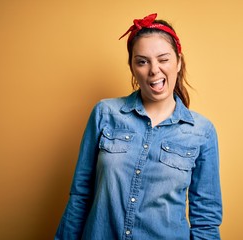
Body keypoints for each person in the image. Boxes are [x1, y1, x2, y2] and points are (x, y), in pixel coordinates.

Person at [55, 13, 222, 240]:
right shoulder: (105, 113)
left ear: (179, 62)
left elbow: (206, 219)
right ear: (132, 67)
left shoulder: (202, 132)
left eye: (163, 59)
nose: (154, 70)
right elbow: (80, 195)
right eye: (142, 61)